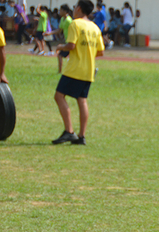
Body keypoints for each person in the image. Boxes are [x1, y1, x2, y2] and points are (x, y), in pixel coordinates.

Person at [51, 0, 104, 146]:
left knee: (59, 96)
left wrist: (60, 46)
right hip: (89, 70)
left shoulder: (76, 24)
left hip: (75, 69)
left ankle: (69, 131)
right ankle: (82, 136)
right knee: (82, 100)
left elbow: (71, 45)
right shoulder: (95, 27)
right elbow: (100, 52)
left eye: (75, 7)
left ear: (79, 9)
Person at [44, 3, 72, 73]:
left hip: (71, 42)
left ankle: (60, 72)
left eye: (61, 10)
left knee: (60, 55)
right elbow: (59, 30)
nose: (59, 11)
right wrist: (49, 33)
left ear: (65, 11)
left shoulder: (69, 20)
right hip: (67, 41)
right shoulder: (62, 19)